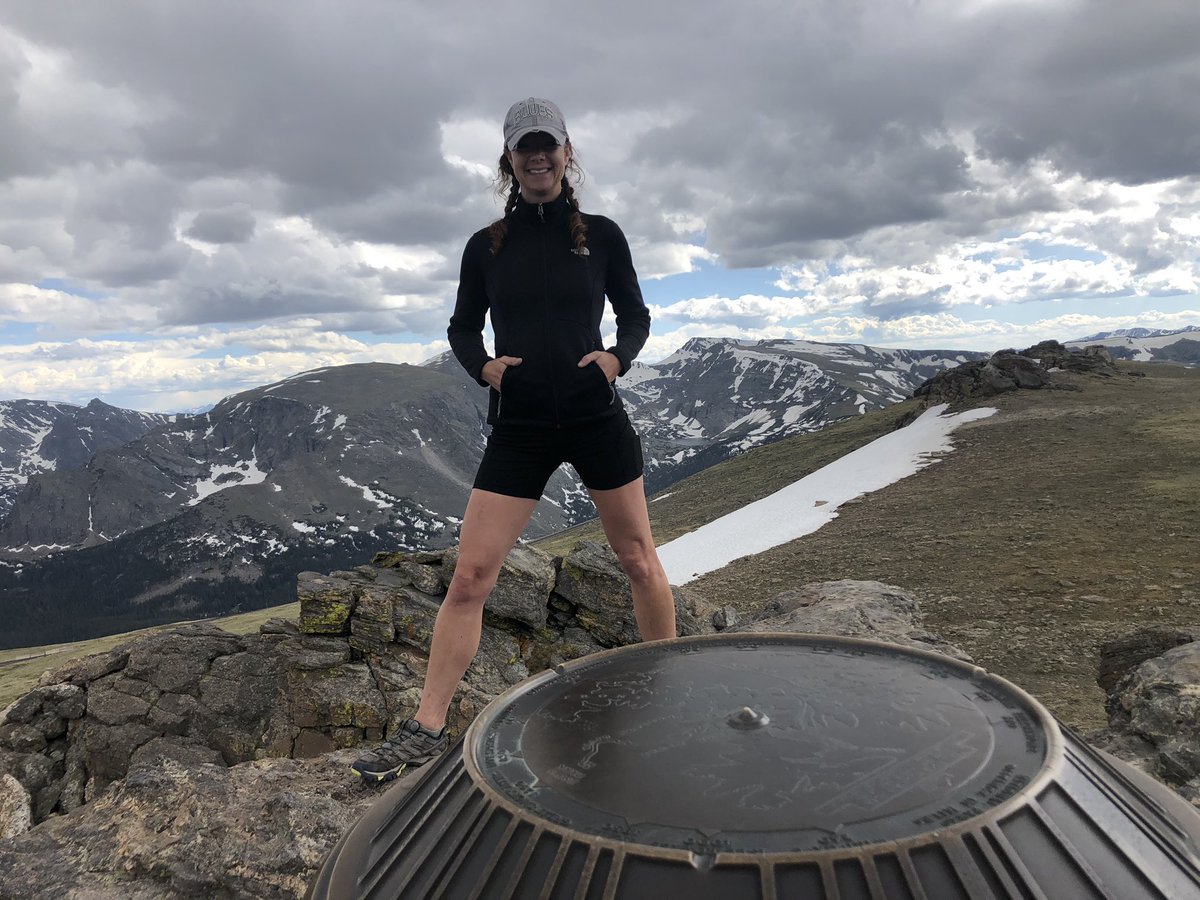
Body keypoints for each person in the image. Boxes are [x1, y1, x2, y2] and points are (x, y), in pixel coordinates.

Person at [351, 97, 676, 783]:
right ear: (509, 159)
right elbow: (463, 327)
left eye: (548, 145)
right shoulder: (487, 246)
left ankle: (670, 696)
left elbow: (637, 315)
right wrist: (484, 367)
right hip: (521, 426)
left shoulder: (604, 236)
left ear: (566, 152)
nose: (538, 157)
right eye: (525, 147)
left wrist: (617, 359)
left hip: (595, 417)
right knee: (470, 578)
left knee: (640, 561)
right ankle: (426, 726)